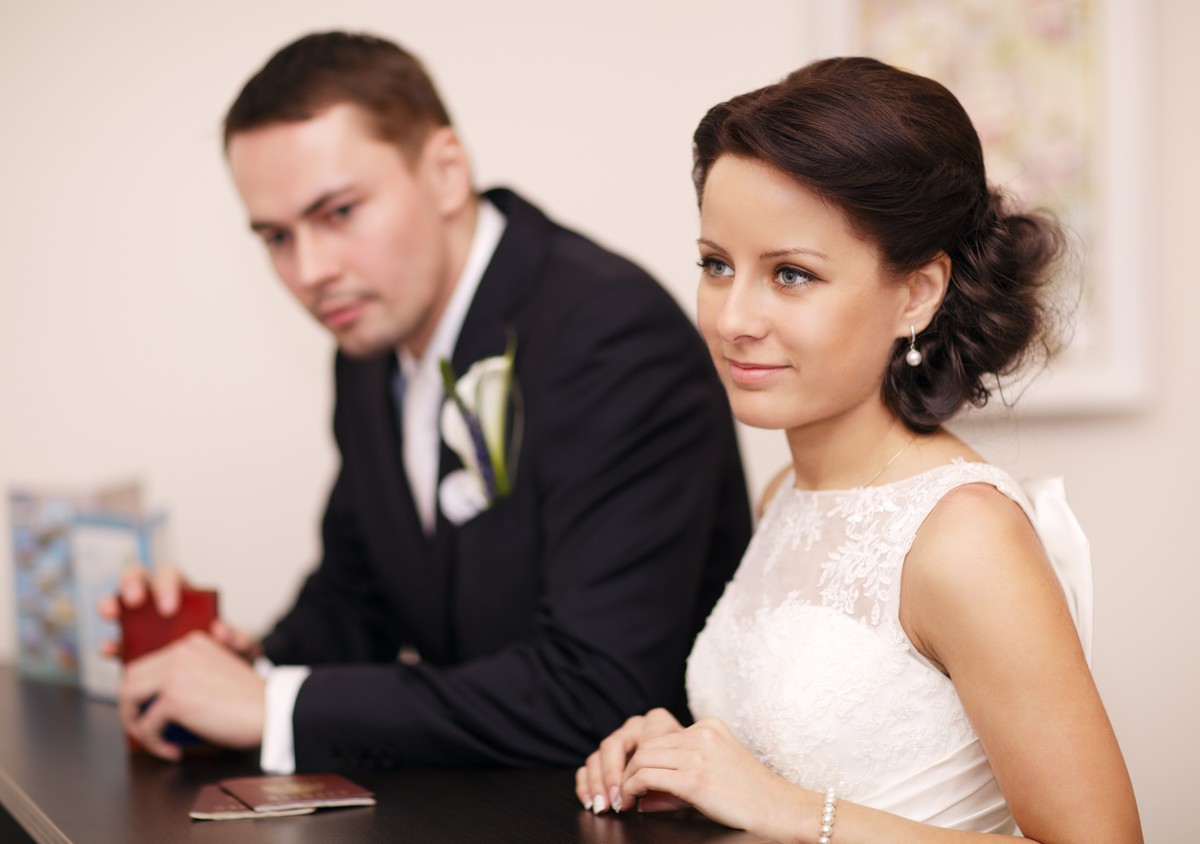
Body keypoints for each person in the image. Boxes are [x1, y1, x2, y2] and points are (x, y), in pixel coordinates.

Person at [102, 31, 751, 773]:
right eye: (276, 237)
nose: (311, 272)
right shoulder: (368, 343)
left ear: (446, 171)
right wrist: (236, 664)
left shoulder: (609, 334)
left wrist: (277, 706)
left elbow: (598, 691)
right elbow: (358, 599)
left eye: (339, 212)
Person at [575, 57, 1142, 841]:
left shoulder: (963, 536)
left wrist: (788, 810)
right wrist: (689, 764)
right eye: (716, 264)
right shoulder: (787, 493)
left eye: (792, 275)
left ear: (917, 291)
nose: (733, 317)